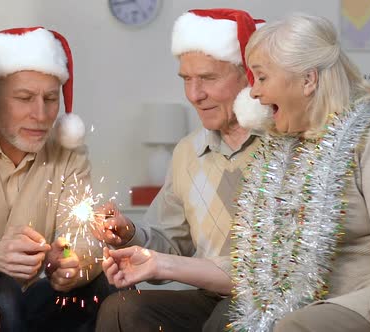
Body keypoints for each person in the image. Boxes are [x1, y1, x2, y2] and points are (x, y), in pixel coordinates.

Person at [95, 9, 268, 332]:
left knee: (229, 318)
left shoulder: (282, 145)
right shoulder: (188, 152)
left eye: (208, 78)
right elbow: (171, 245)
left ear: (248, 76)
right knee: (121, 309)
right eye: (187, 79)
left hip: (268, 298)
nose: (194, 95)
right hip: (211, 296)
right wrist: (128, 235)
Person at [225, 13, 370, 332]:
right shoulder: (282, 147)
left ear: (308, 80)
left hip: (364, 298)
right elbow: (257, 256)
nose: (254, 93)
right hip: (296, 301)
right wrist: (161, 263)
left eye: (262, 78)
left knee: (294, 326)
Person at [0, 27, 114, 332]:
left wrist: (72, 262)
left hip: (31, 296)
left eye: (50, 99)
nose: (41, 114)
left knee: (104, 288)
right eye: (25, 98)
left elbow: (82, 234)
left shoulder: (68, 152)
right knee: (2, 295)